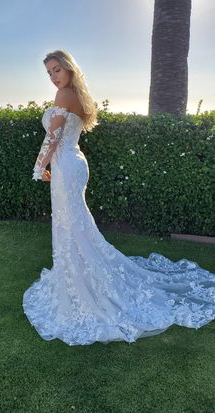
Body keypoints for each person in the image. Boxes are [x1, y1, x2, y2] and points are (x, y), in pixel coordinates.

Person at [22, 49, 215, 346]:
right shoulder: (74, 94)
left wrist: (38, 168)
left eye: (56, 69)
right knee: (74, 224)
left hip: (66, 167)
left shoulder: (64, 96)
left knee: (72, 225)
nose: (53, 76)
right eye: (48, 72)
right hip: (71, 164)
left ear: (69, 69)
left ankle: (85, 282)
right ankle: (75, 275)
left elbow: (53, 138)